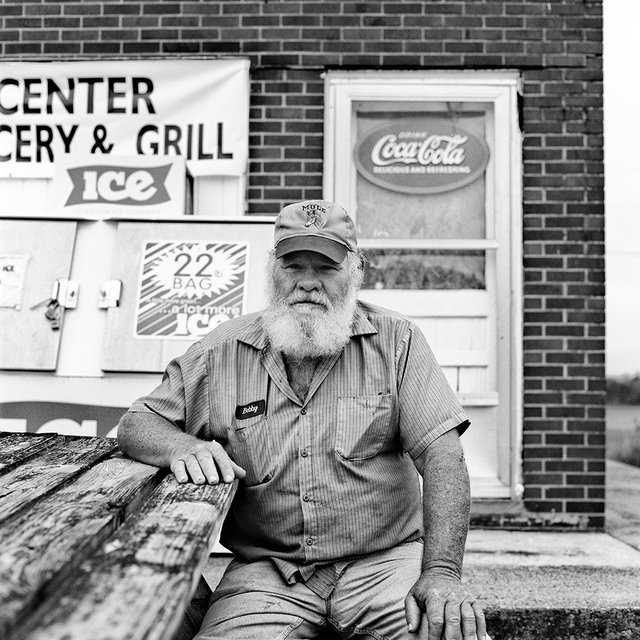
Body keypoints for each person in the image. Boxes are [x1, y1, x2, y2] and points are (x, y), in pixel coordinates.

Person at [118, 200, 488, 640]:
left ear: (355, 272)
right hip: (268, 574)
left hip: (387, 564)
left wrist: (442, 573)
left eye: (326, 268)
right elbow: (138, 422)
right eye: (294, 265)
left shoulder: (396, 340)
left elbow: (443, 456)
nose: (308, 283)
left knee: (447, 635)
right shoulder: (223, 351)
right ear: (273, 269)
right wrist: (184, 446)